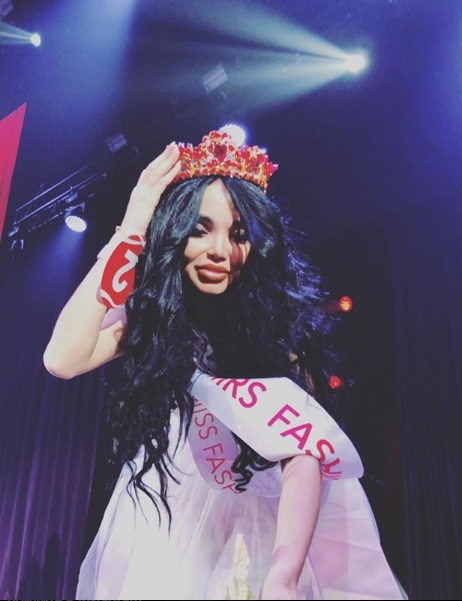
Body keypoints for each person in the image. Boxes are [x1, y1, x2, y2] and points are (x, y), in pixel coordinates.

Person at [43, 130, 406, 600]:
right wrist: (132, 226)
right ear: (175, 234)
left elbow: (304, 454)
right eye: (200, 230)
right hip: (165, 515)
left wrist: (283, 572)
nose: (219, 250)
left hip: (260, 526)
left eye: (238, 234)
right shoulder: (154, 319)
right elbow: (62, 358)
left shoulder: (275, 338)